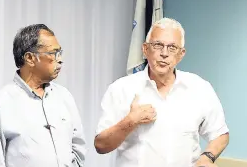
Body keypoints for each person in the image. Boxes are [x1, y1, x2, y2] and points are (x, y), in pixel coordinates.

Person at [94, 18, 229, 167]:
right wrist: (130, 121)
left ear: (181, 54)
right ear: (145, 49)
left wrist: (207, 157)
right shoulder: (120, 89)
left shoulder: (200, 88)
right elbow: (101, 145)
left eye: (172, 47)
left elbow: (220, 134)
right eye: (158, 45)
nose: (164, 53)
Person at [0, 24, 86, 167]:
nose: (60, 59)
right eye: (53, 53)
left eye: (60, 52)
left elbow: (78, 149)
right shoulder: (0, 103)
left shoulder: (64, 97)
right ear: (30, 58)